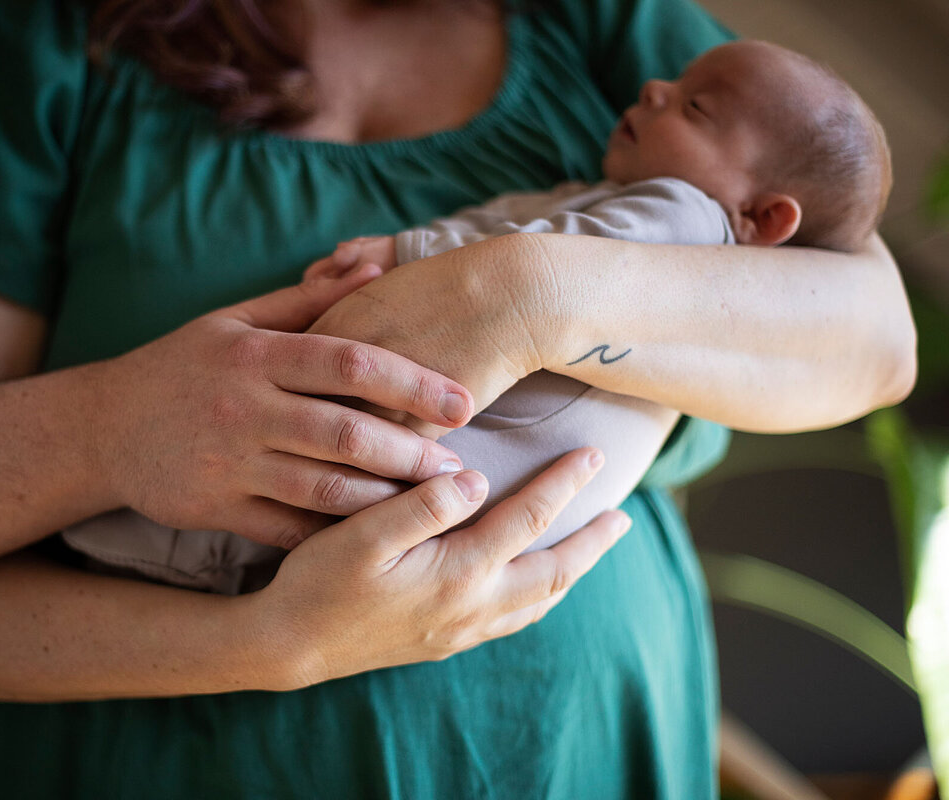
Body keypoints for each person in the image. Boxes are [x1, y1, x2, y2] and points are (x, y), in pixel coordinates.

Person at [0, 0, 916, 798]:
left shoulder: (610, 32)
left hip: (573, 750)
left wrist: (522, 290)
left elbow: (876, 342)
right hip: (164, 758)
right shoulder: (38, 52)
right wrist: (274, 641)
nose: (661, 102)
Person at [61, 39, 893, 594]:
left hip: (440, 481)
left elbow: (546, 248)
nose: (657, 85)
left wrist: (411, 251)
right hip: (458, 520)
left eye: (698, 110)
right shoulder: (655, 212)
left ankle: (127, 542)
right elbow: (533, 217)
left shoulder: (683, 219)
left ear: (764, 219)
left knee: (280, 486)